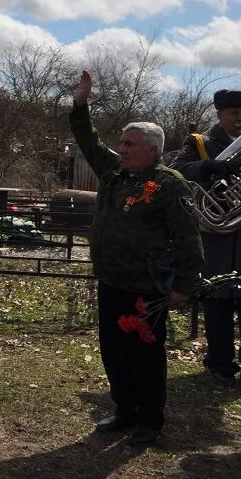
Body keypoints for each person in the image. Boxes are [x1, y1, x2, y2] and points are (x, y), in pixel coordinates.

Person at [71, 70, 203, 444]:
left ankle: (150, 421)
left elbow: (189, 239)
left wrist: (183, 286)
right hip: (112, 281)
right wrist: (81, 105)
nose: (122, 149)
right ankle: (124, 410)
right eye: (122, 143)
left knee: (144, 355)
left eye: (129, 144)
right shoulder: (115, 174)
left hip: (147, 289)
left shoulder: (167, 184)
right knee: (114, 353)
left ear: (152, 150)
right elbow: (87, 141)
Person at [171, 89, 241, 382]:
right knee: (219, 297)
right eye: (234, 113)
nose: (240, 119)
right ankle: (220, 363)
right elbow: (176, 170)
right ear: (220, 115)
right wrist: (210, 166)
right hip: (218, 234)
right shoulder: (202, 143)